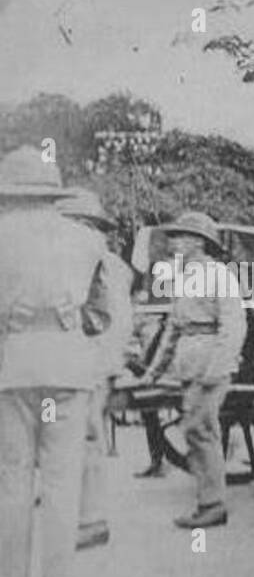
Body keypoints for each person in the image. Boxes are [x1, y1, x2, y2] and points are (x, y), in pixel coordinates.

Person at [0, 146, 111, 577]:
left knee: (12, 484)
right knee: (62, 485)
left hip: (13, 371)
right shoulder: (86, 242)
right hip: (66, 373)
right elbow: (102, 314)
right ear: (52, 193)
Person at [141, 211, 247, 527]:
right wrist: (154, 372)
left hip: (211, 362)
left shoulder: (218, 275)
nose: (174, 242)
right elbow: (173, 329)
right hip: (189, 364)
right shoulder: (182, 277)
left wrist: (217, 367)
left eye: (182, 236)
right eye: (173, 236)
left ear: (199, 242)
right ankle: (206, 501)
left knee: (201, 431)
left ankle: (213, 504)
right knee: (194, 431)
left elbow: (233, 325)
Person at [57, 189, 135, 549]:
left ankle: (92, 518)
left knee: (88, 436)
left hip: (92, 360)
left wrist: (105, 364)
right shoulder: (88, 258)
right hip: (82, 359)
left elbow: (113, 320)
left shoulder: (106, 263)